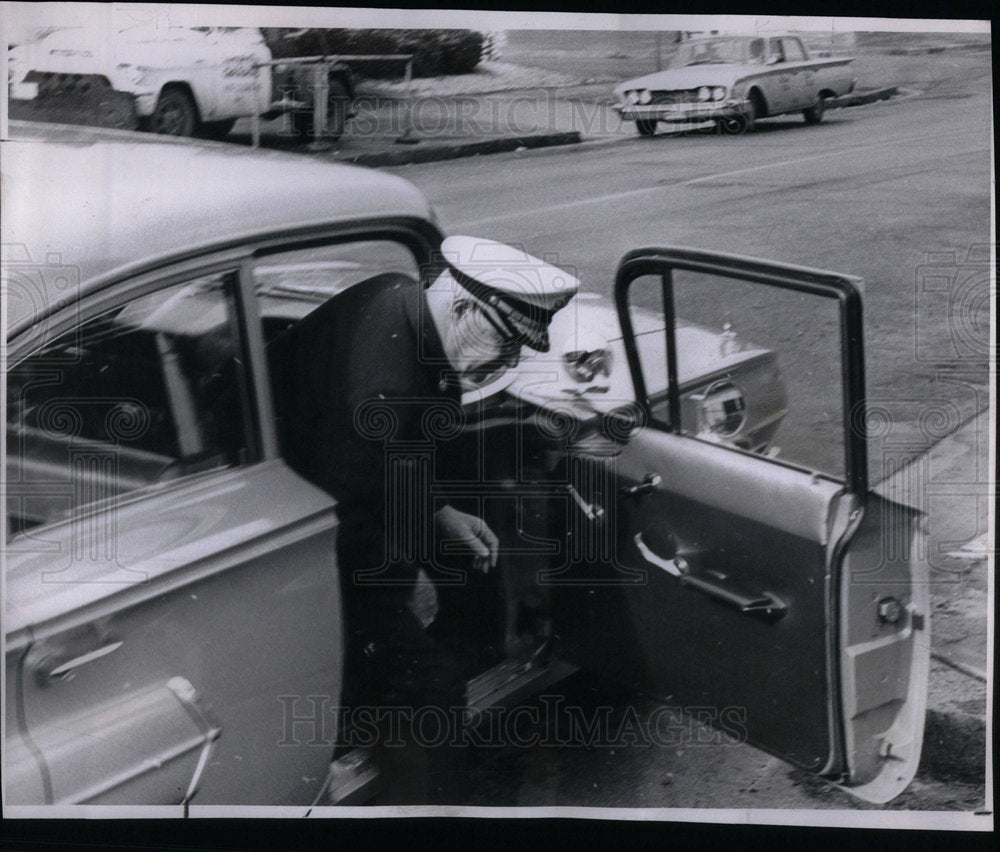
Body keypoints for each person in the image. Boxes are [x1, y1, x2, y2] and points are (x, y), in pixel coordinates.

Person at [268, 235, 578, 804]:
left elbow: (399, 454)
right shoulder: (387, 381)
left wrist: (438, 511)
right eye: (506, 340)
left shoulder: (406, 302)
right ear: (462, 306)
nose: (508, 362)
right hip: (302, 525)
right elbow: (353, 508)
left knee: (452, 587)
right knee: (431, 689)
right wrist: (404, 582)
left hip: (311, 475)